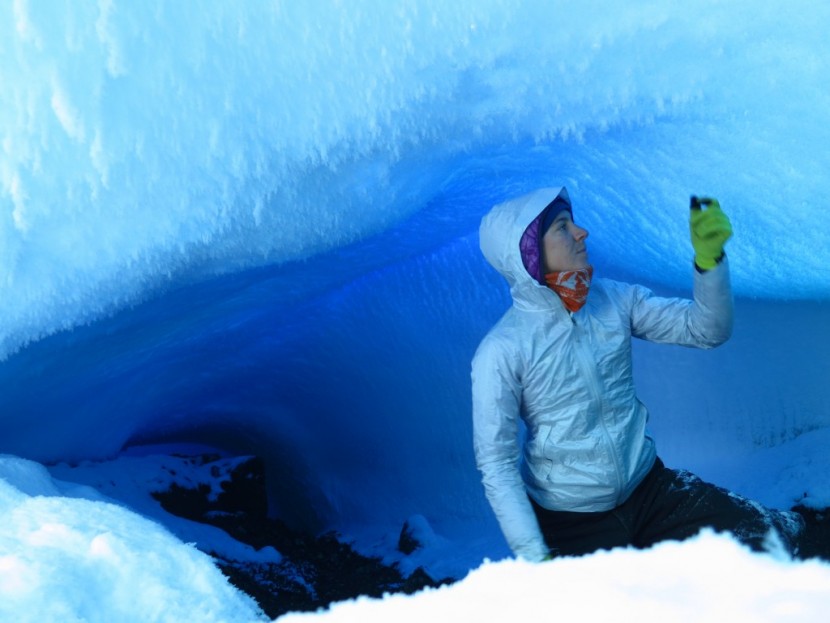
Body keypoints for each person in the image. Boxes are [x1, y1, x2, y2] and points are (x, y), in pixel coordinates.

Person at [471, 187, 806, 561]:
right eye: (562, 227)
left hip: (651, 492)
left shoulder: (613, 300)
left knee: (774, 536)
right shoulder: (502, 350)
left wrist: (709, 261)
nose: (581, 233)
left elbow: (705, 330)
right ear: (528, 252)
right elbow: (496, 464)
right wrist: (535, 555)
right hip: (570, 521)